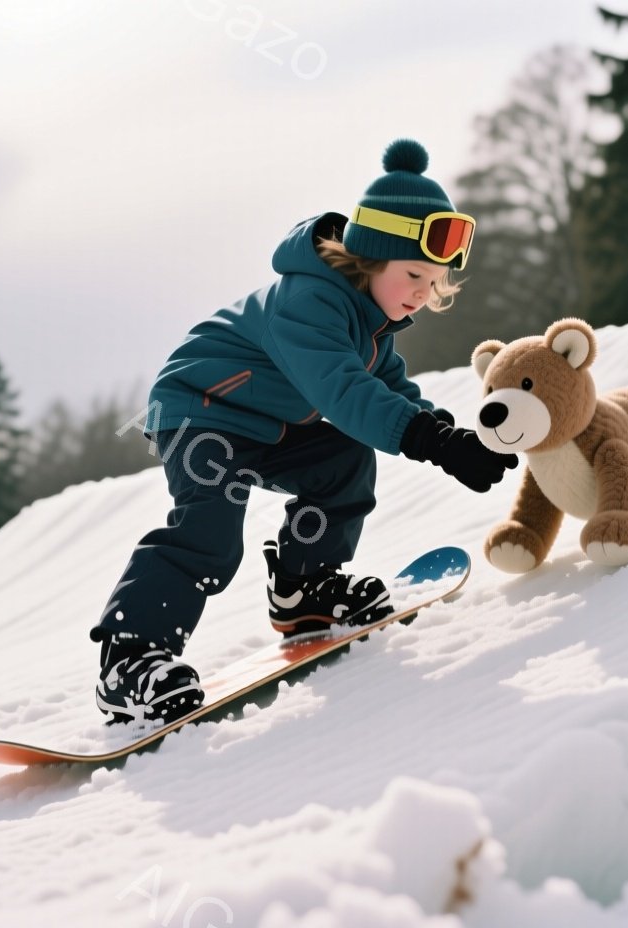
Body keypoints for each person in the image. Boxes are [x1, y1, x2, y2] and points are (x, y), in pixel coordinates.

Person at [91, 138, 519, 724]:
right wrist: (432, 444)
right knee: (210, 529)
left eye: (434, 280)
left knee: (344, 461)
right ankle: (131, 658)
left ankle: (304, 588)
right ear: (370, 259)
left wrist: (453, 438)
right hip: (199, 414)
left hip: (267, 426)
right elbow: (341, 389)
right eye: (413, 274)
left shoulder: (371, 322)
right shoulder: (309, 300)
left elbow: (389, 388)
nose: (423, 291)